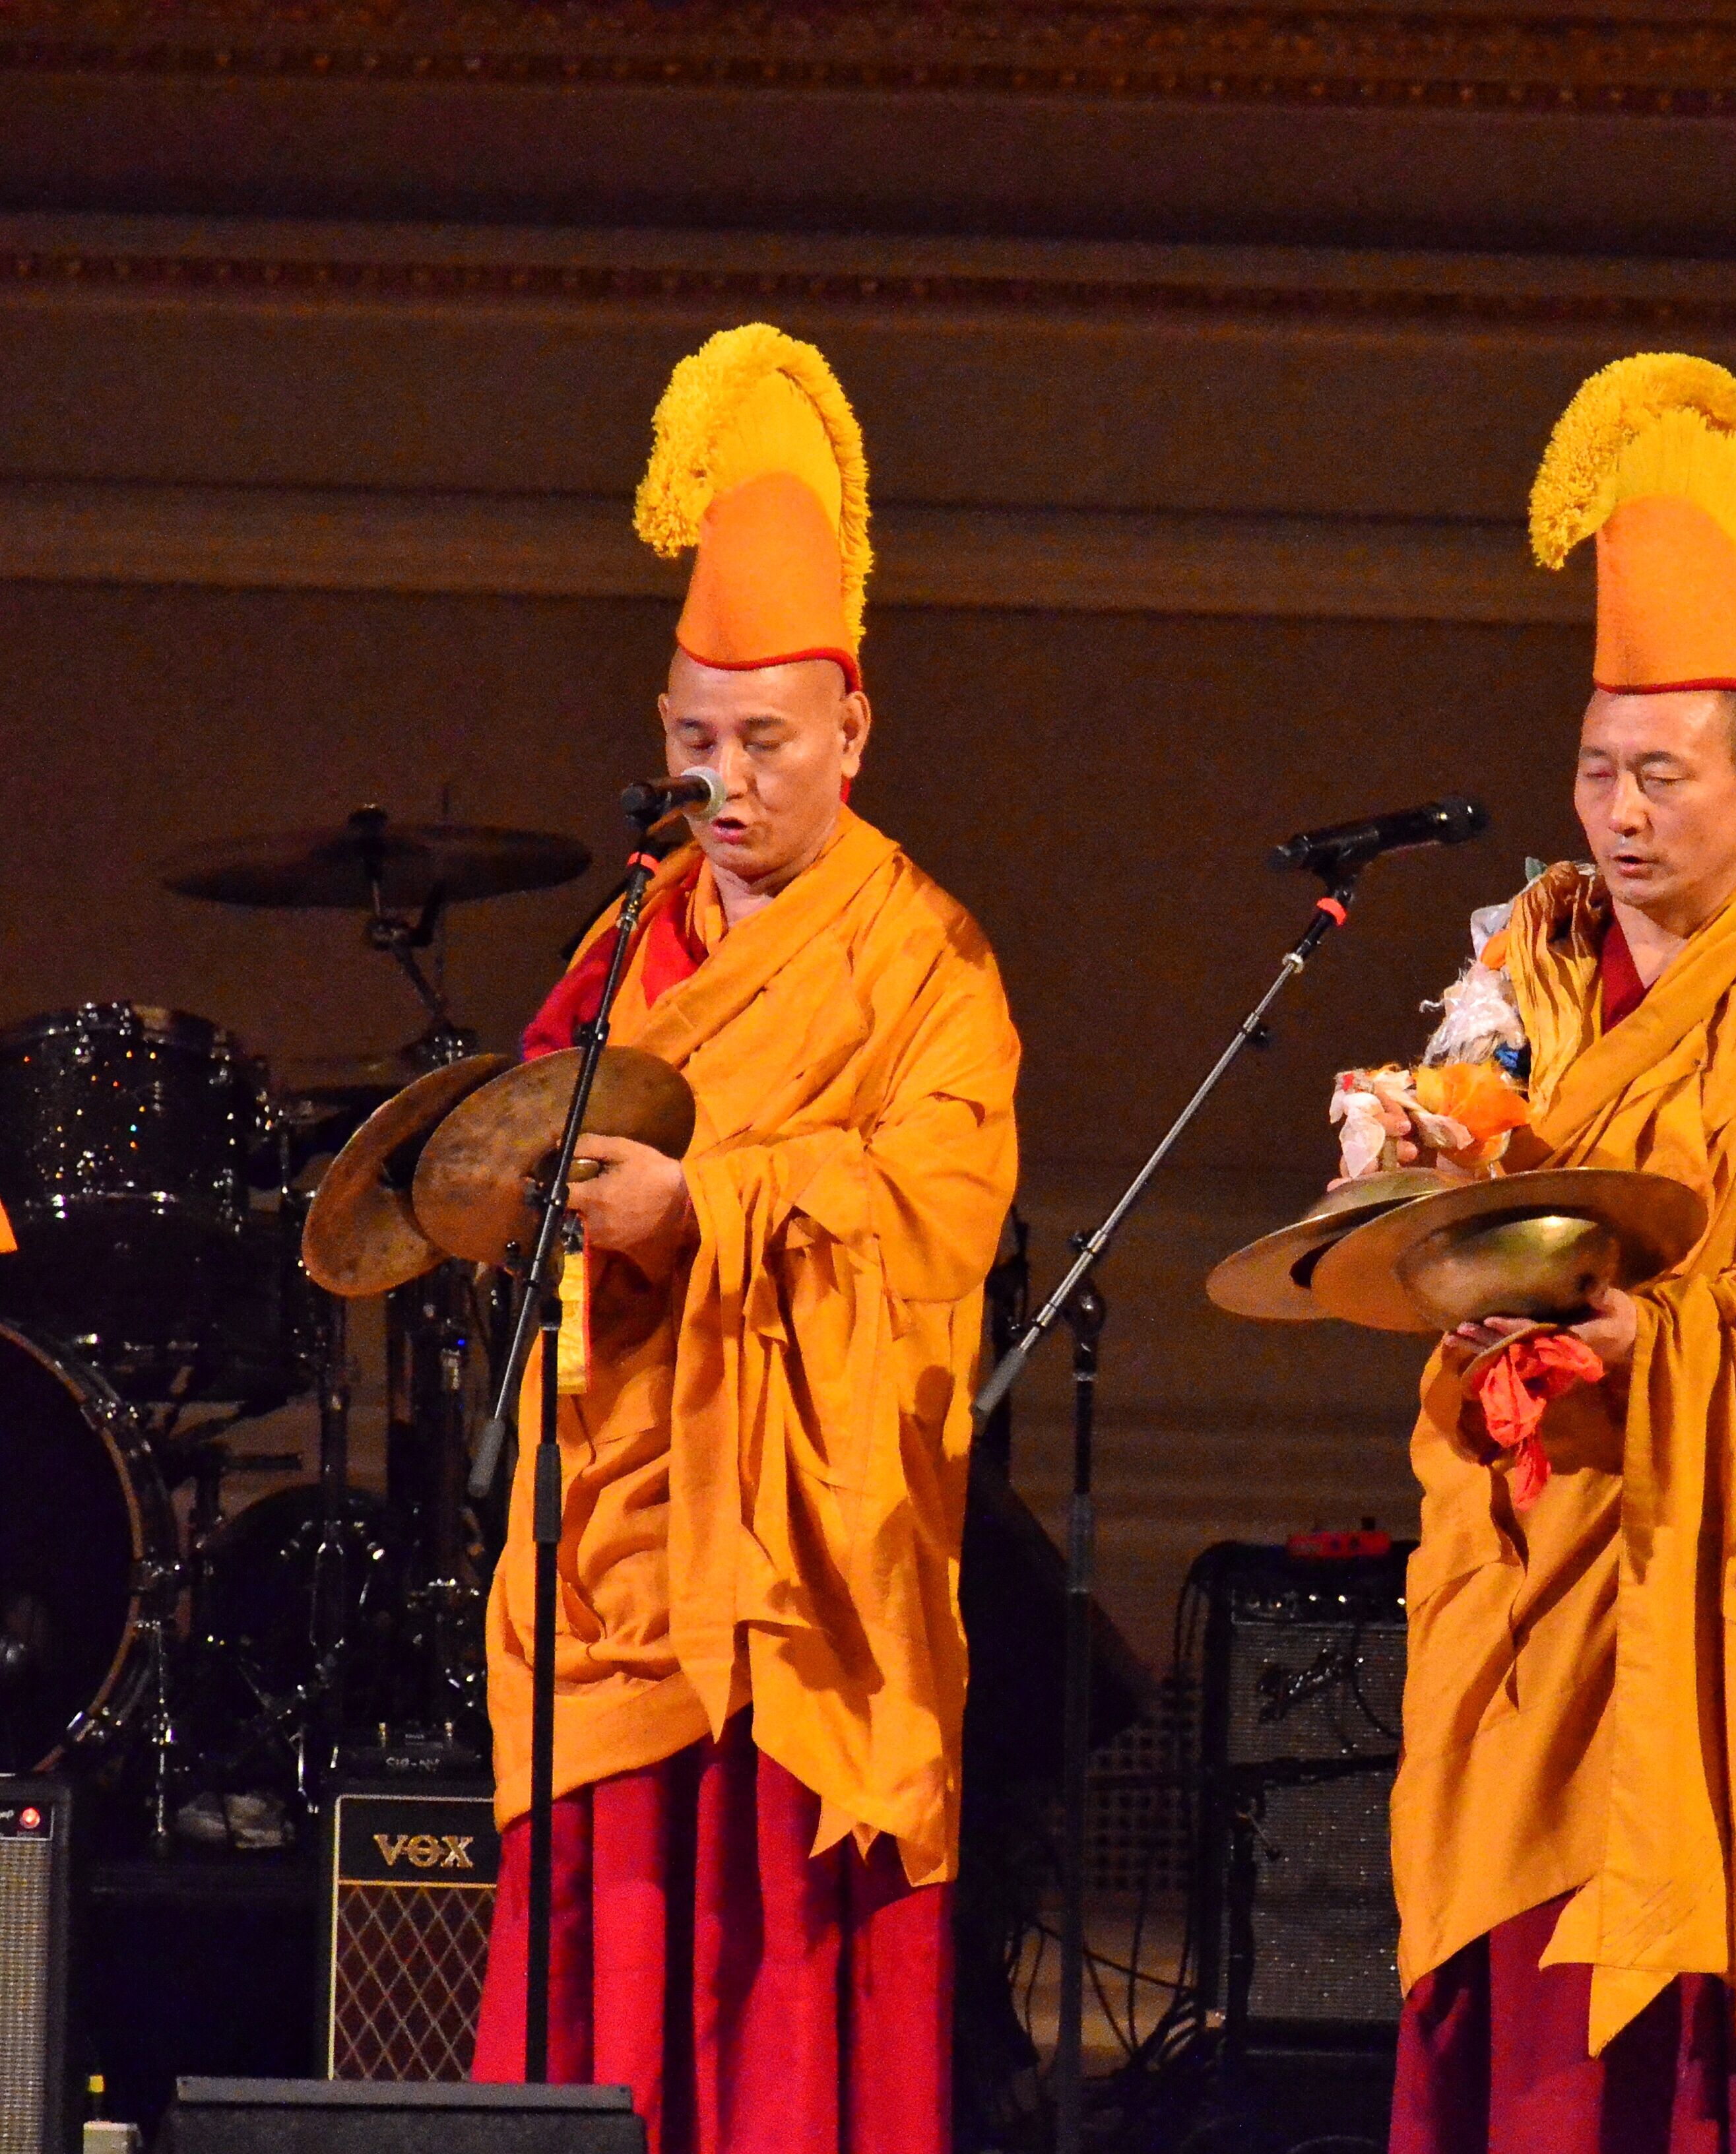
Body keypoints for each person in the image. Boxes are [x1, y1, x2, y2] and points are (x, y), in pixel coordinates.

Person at [1368, 352, 1736, 2151]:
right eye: (1598, 772)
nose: (1621, 816)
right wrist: (1402, 1154)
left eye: (1665, 779)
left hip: (1705, 1605)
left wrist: (1670, 1335)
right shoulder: (1517, 969)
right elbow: (1451, 1187)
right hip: (1523, 1576)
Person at [473, 323, 1021, 2154]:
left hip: (810, 1580)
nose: (726, 783)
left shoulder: (925, 959)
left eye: (766, 742)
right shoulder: (625, 944)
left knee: (783, 2012)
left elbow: (942, 1212)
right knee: (608, 1979)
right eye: (693, 743)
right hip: (618, 1559)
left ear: (855, 729)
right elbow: (527, 1138)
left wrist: (706, 1204)